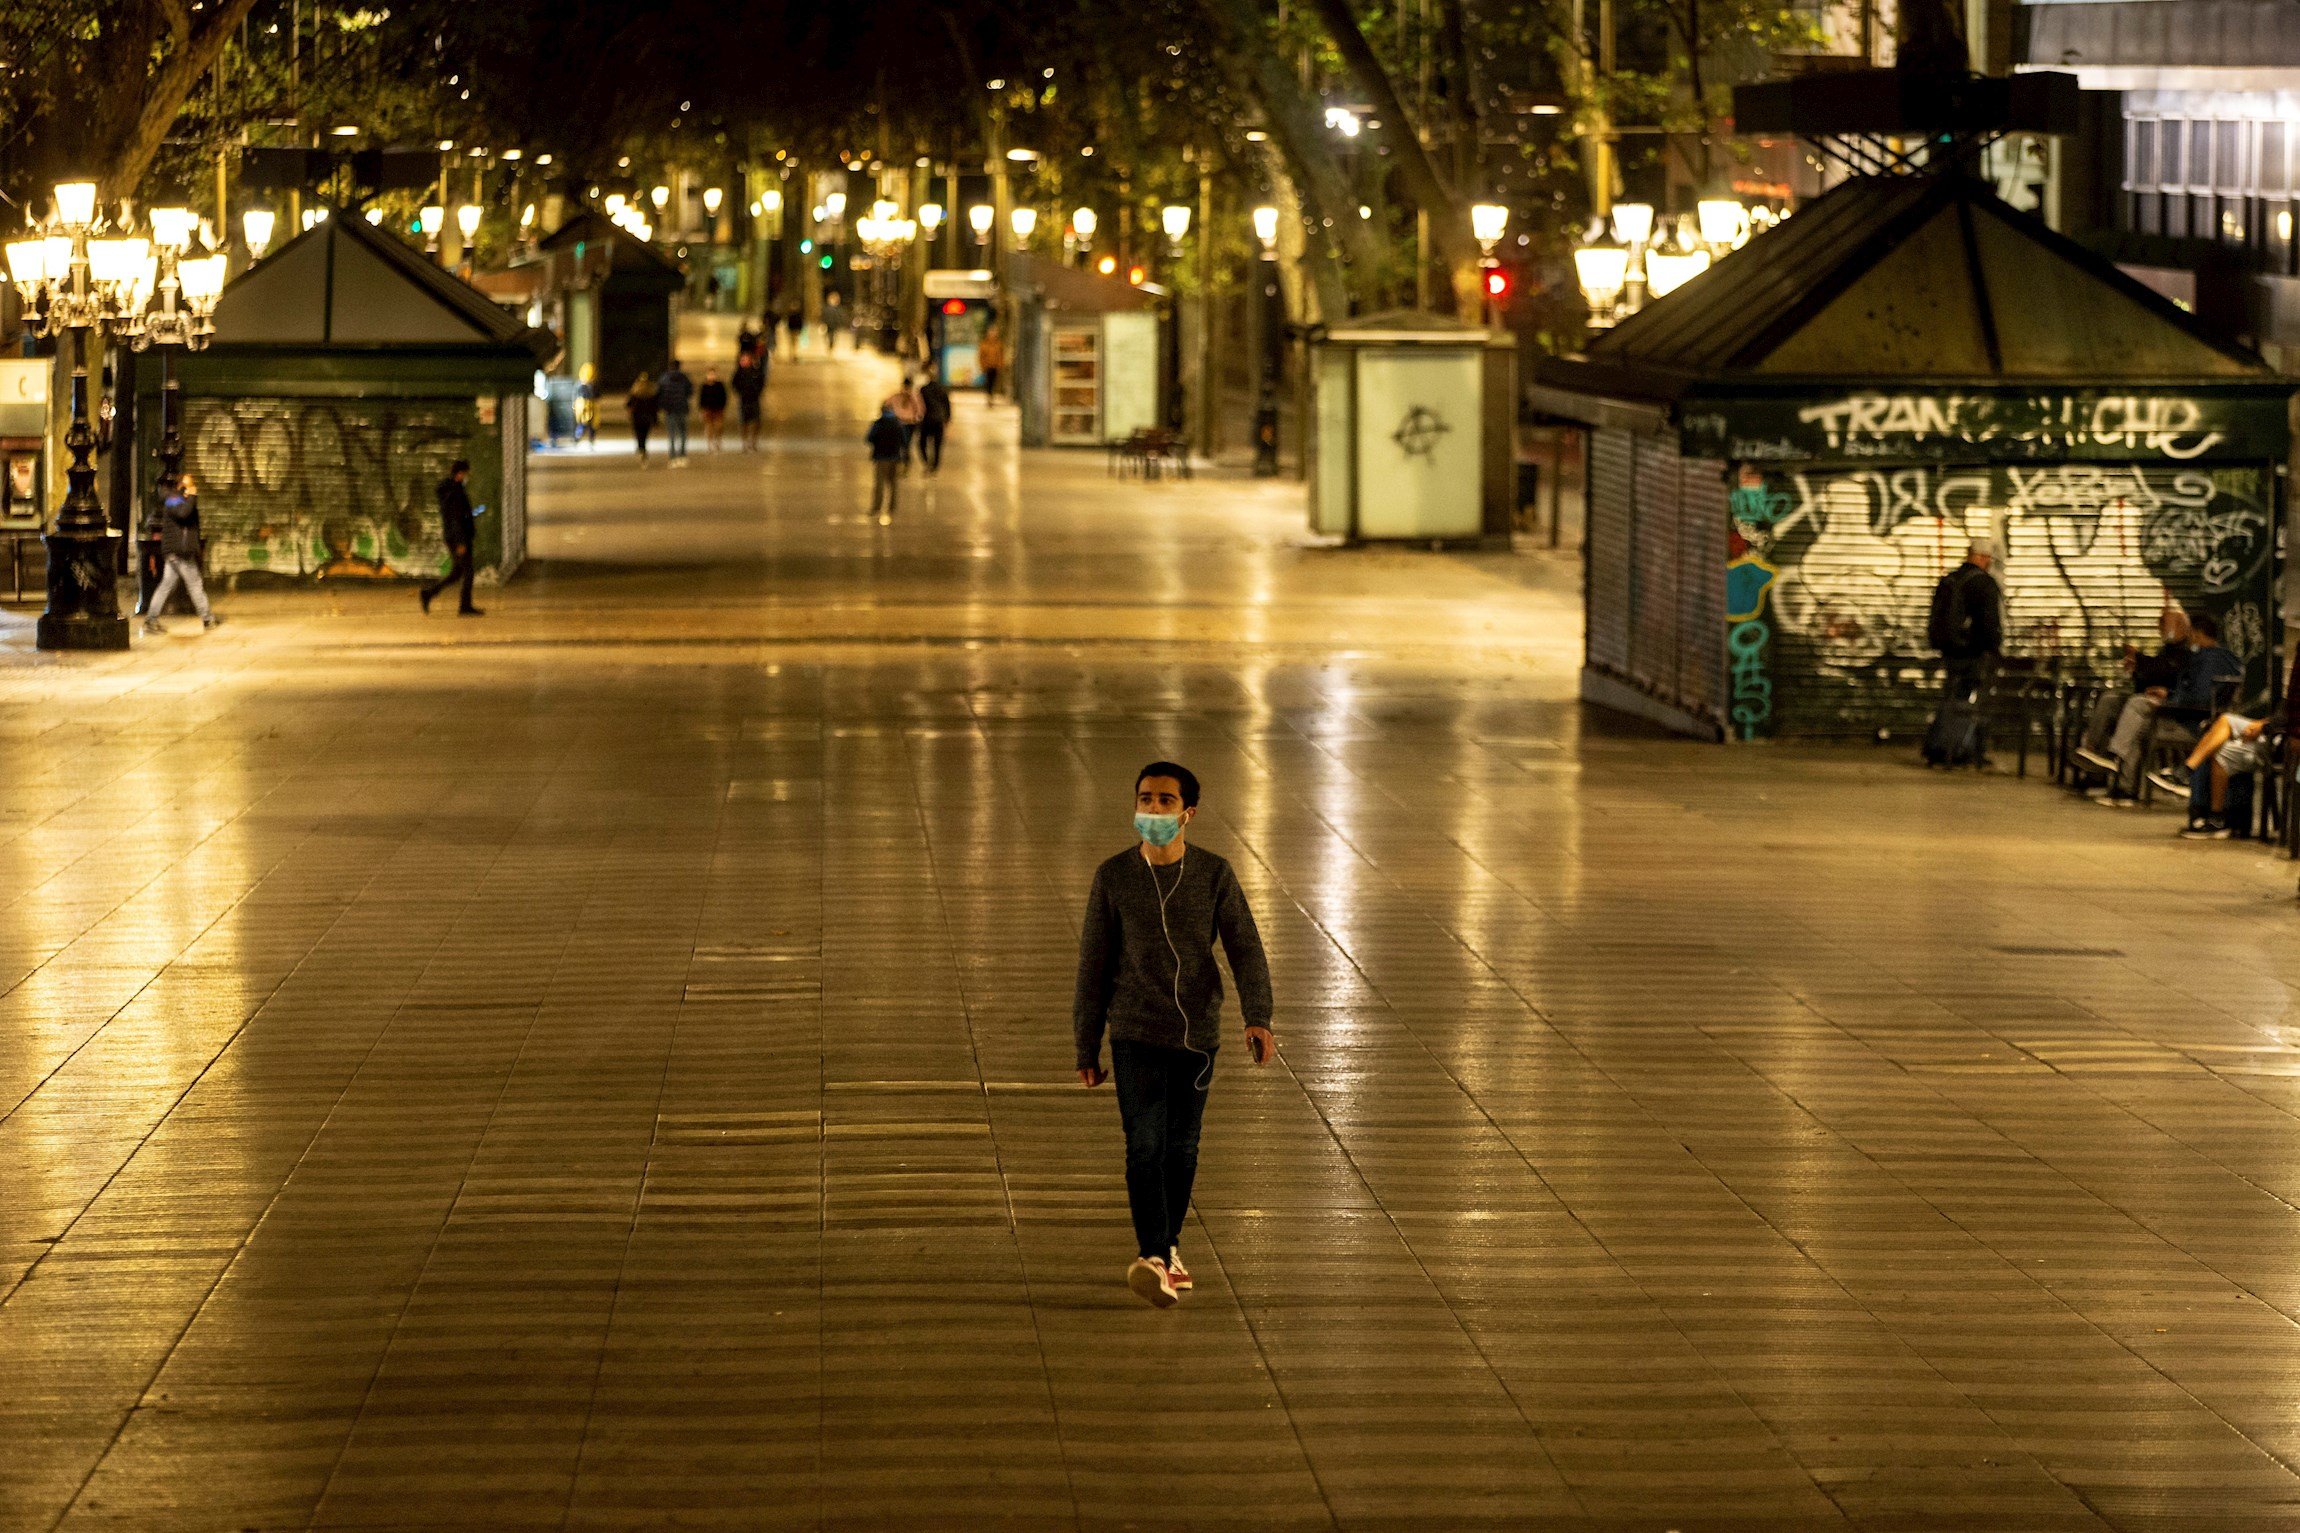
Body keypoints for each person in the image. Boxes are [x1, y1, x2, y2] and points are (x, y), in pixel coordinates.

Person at [1074, 762, 1274, 1309]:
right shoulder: (1113, 877)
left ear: (1188, 813)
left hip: (1196, 1037)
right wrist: (1086, 1045)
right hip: (1135, 1033)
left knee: (1181, 1151)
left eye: (1165, 801)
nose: (1154, 809)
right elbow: (1093, 966)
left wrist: (1258, 1016)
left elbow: (1245, 949)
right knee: (1145, 1147)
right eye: (1145, 798)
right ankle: (1154, 1255)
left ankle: (1168, 1248)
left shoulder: (1214, 875)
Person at [2091, 610, 2243, 805]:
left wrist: (2170, 701)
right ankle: (2123, 786)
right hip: (2196, 720)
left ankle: (2117, 765)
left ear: (2196, 634)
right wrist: (2169, 694)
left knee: (2137, 711)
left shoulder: (2209, 660)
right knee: (2137, 722)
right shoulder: (2227, 659)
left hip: (2192, 725)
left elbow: (2199, 698)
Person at [2073, 607, 2190, 781]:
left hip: (2167, 709)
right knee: (2110, 700)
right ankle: (2092, 750)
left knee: (2135, 711)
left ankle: (2115, 758)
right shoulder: (2167, 650)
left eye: (2164, 622)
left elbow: (2168, 673)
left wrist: (2140, 661)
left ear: (2180, 625)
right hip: (2148, 700)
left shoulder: (2188, 652)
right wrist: (2136, 668)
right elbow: (2153, 674)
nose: (2160, 627)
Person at [1924, 537, 2003, 764]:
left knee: (1951, 696)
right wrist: (1994, 648)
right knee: (1968, 700)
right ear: (1982, 557)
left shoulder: (1950, 580)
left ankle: (1940, 746)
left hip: (1950, 651)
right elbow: (1990, 623)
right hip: (1974, 652)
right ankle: (1960, 748)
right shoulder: (1983, 584)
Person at [141, 472, 223, 636]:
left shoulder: (182, 500)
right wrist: (191, 496)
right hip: (179, 552)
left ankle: (151, 620)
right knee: (195, 584)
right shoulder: (174, 499)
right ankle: (207, 618)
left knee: (166, 585)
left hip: (178, 551)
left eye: (192, 485)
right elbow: (183, 514)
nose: (191, 488)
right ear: (179, 486)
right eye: (187, 485)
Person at [419, 459, 483, 616]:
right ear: (460, 473)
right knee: (468, 572)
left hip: (455, 537)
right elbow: (456, 519)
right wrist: (461, 542)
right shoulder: (454, 493)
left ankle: (428, 593)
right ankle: (465, 606)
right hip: (458, 538)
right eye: (466, 473)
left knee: (457, 573)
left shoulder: (454, 490)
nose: (468, 476)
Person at [865, 404, 905, 521]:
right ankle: (892, 508)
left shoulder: (878, 424)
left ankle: (876, 508)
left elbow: (869, 438)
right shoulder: (899, 424)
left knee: (879, 484)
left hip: (880, 458)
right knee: (893, 484)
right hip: (894, 458)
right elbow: (904, 441)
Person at [885, 375, 925, 470]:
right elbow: (921, 409)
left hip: (904, 422)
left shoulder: (900, 395)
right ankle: (904, 461)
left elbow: (886, 404)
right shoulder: (912, 395)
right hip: (908, 422)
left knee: (903, 443)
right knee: (905, 443)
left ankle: (903, 461)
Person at [658, 358, 694, 463]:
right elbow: (690, 391)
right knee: (683, 432)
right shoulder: (684, 378)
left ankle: (672, 455)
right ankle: (682, 454)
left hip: (669, 409)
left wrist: (663, 405)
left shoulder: (664, 378)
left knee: (672, 433)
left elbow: (660, 393)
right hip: (682, 407)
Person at [733, 351, 767, 451]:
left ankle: (753, 442)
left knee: (757, 421)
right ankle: (745, 442)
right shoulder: (739, 373)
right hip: (744, 400)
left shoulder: (756, 371)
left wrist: (757, 391)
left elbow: (762, 381)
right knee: (744, 422)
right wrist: (740, 392)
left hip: (754, 400)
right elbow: (734, 384)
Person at [917, 374, 951, 473]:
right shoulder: (943, 390)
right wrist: (947, 418)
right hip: (939, 420)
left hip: (926, 420)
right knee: (937, 445)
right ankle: (935, 466)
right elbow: (947, 405)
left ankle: (927, 462)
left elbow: (919, 405)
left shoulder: (923, 390)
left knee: (922, 443)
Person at [627, 372, 660, 462]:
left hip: (637, 417)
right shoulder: (651, 392)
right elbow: (655, 408)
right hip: (647, 417)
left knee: (638, 433)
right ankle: (643, 447)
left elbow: (629, 405)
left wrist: (630, 414)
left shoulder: (635, 391)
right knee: (645, 434)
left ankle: (641, 447)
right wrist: (655, 421)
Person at [698, 367, 729, 453]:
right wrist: (701, 410)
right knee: (709, 427)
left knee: (719, 426)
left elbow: (724, 397)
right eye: (710, 374)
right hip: (707, 409)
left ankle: (718, 441)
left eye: (713, 374)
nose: (711, 376)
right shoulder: (704, 386)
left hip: (718, 409)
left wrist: (723, 407)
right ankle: (709, 444)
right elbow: (701, 399)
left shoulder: (720, 385)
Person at [977, 324, 1006, 398]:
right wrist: (982, 365)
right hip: (987, 366)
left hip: (995, 366)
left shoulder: (999, 344)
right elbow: (981, 356)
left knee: (993, 382)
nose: (993, 334)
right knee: (988, 382)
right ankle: (989, 394)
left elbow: (1001, 355)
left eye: (994, 332)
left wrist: (1000, 365)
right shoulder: (984, 344)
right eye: (991, 332)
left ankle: (991, 394)